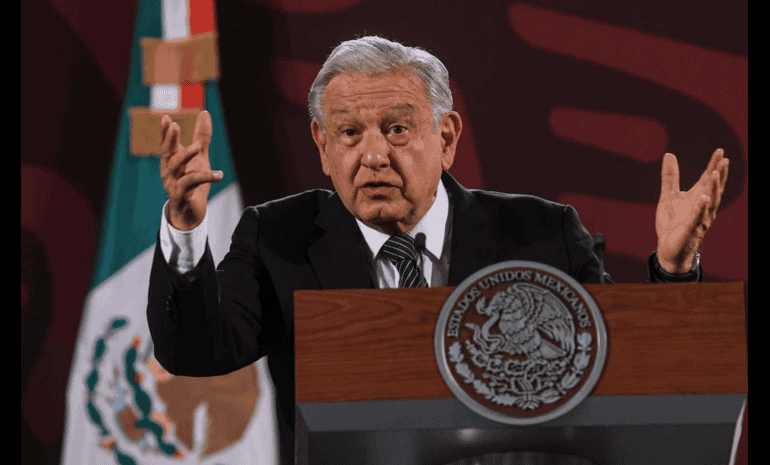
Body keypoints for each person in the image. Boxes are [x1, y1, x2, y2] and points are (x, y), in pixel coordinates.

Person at [147, 36, 729, 463]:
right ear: (323, 147)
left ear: (446, 136)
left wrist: (675, 271)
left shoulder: (541, 234)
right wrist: (184, 226)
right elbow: (195, 352)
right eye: (349, 134)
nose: (372, 155)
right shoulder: (279, 238)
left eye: (397, 129)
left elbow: (622, 375)